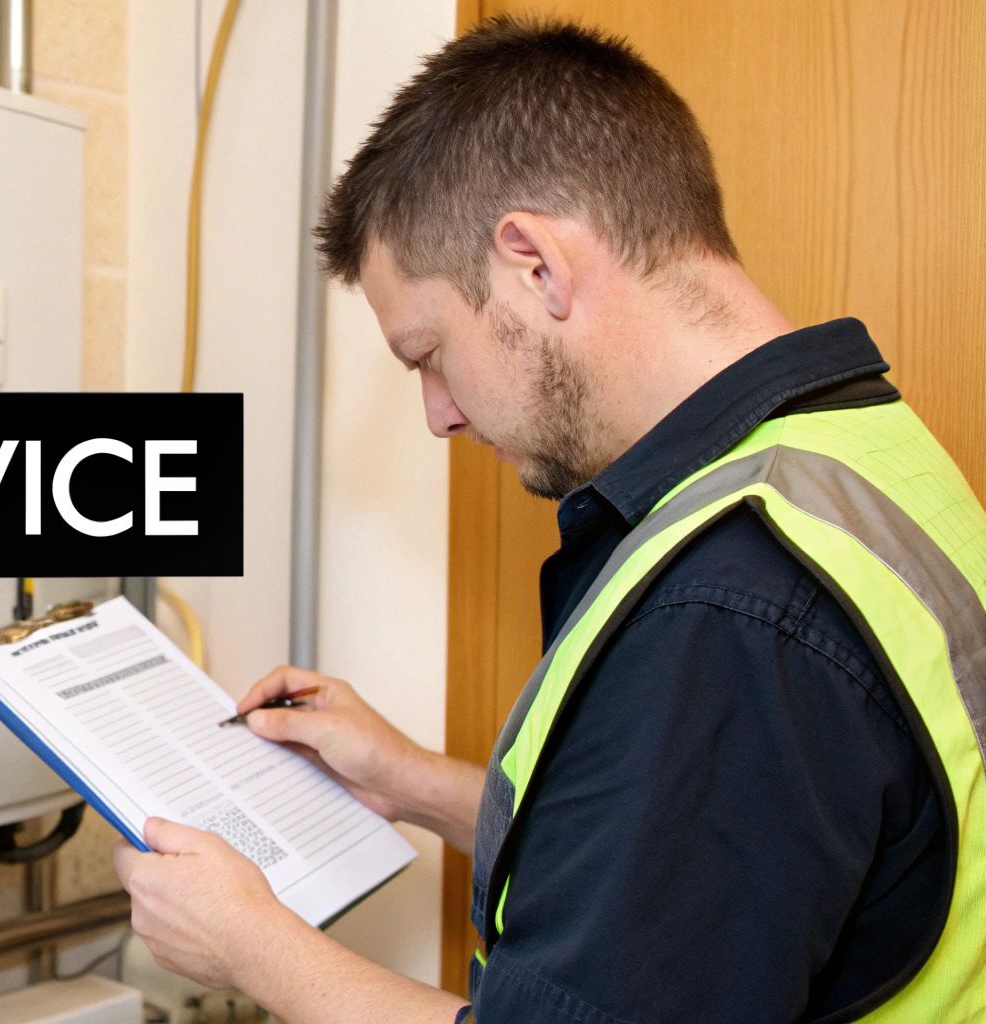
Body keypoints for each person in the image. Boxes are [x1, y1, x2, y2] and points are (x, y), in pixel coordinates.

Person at [112, 16, 986, 1024]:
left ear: (533, 264)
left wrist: (252, 948)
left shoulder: (729, 601)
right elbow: (728, 854)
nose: (437, 412)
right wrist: (415, 780)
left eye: (428, 351)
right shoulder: (853, 448)